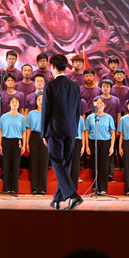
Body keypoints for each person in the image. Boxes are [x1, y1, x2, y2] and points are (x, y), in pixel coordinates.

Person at [42, 54, 83, 211]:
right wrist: (74, 128)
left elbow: (46, 110)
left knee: (57, 162)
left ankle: (73, 195)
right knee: (65, 165)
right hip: (71, 130)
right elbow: (78, 110)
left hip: (55, 130)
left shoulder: (50, 85)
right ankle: (57, 200)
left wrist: (44, 133)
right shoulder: (74, 86)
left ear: (52, 66)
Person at [84, 97, 116, 195]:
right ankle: (95, 187)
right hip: (93, 142)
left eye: (101, 104)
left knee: (104, 165)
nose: (99, 106)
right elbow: (86, 132)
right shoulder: (90, 117)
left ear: (104, 105)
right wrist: (87, 146)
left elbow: (113, 133)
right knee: (95, 165)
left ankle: (103, 188)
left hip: (105, 142)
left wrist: (111, 146)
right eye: (97, 104)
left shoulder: (109, 117)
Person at [0, 96, 27, 194]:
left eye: (16, 102)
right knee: (6, 164)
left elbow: (24, 132)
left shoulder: (22, 118)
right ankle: (6, 187)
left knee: (15, 165)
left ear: (19, 104)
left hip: (17, 141)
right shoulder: (4, 117)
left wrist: (23, 145)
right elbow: (0, 131)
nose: (15, 104)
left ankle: (14, 188)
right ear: (9, 104)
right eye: (13, 102)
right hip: (6, 140)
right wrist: (0, 144)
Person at [25, 93, 49, 194]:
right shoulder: (31, 113)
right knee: (34, 162)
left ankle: (42, 188)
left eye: (43, 99)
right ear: (36, 101)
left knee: (44, 162)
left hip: (45, 137)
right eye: (39, 99)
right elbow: (28, 129)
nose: (41, 101)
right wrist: (27, 143)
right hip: (34, 137)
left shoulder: (49, 113)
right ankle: (34, 188)